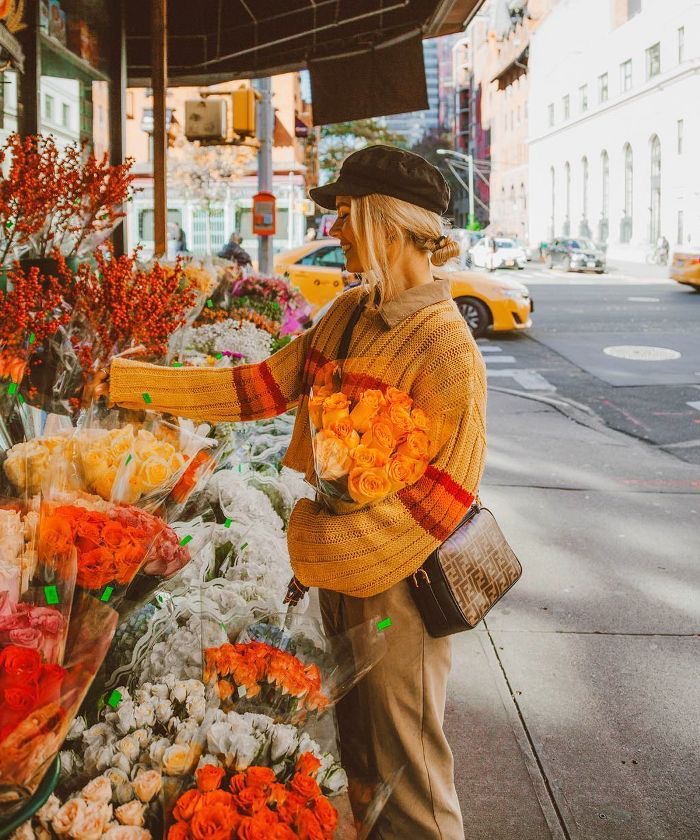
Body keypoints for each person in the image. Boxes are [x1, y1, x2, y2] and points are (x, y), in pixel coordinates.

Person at [109, 145, 486, 840]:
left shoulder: (446, 346)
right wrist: (130, 383)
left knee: (413, 779)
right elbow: (256, 389)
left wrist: (325, 540)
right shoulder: (348, 311)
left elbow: (444, 500)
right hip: (341, 578)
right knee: (365, 764)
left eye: (345, 214)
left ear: (388, 225)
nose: (334, 231)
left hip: (398, 597)